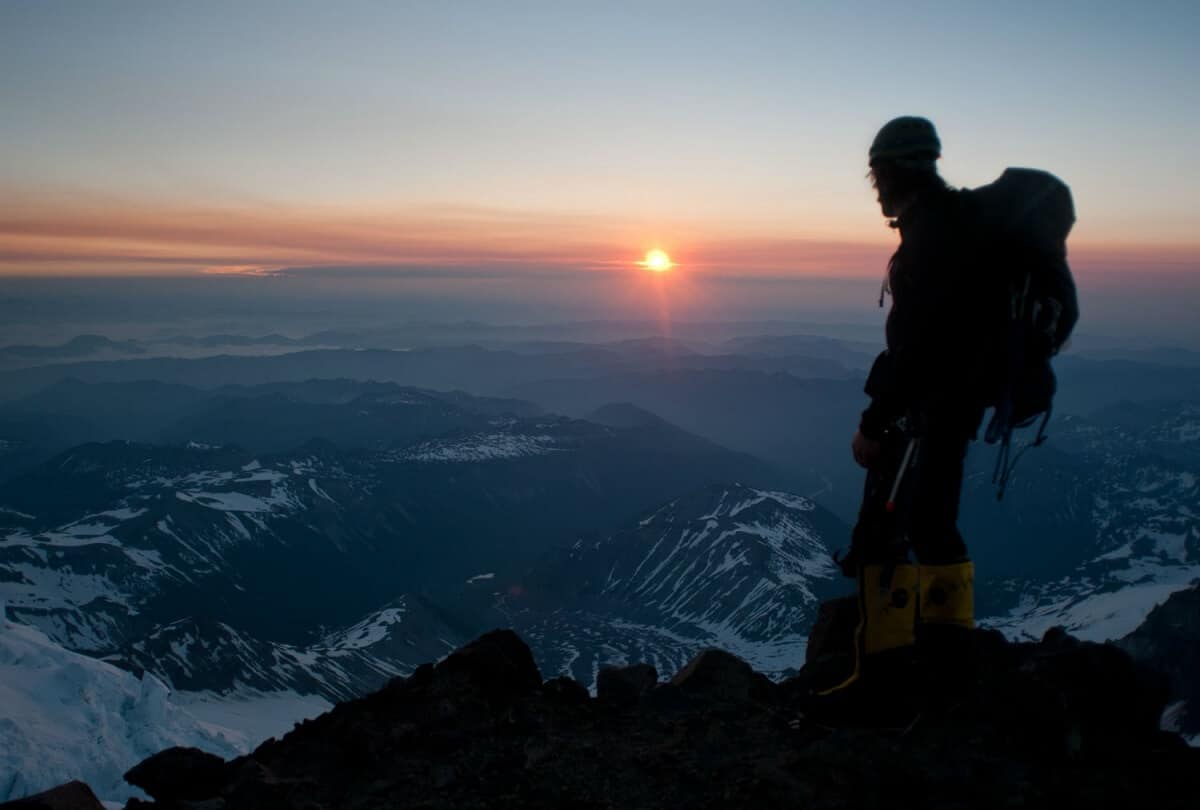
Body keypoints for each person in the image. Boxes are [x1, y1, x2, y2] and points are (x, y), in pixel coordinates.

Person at [827, 116, 993, 696]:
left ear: (894, 170)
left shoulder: (929, 239)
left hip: (923, 414)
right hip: (956, 408)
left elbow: (915, 347)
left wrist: (874, 423)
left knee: (882, 538)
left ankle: (883, 682)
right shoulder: (957, 227)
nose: (874, 187)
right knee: (934, 528)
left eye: (876, 174)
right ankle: (950, 672)